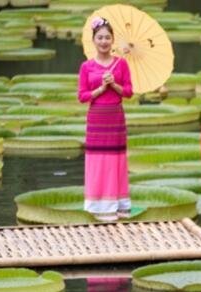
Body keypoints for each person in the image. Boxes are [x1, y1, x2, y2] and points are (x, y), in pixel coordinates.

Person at [78, 17, 133, 222]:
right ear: (94, 40)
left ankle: (116, 206)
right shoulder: (87, 66)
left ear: (113, 40)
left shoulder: (121, 64)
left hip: (115, 118)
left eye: (107, 38)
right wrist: (100, 89)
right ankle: (96, 206)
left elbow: (128, 92)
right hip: (96, 118)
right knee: (98, 160)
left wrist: (114, 85)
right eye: (100, 37)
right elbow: (82, 96)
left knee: (115, 160)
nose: (104, 41)